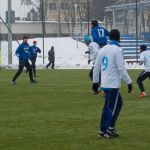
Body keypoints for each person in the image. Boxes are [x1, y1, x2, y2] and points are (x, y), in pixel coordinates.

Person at [92, 29, 133, 139]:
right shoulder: (118, 50)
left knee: (118, 103)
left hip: (105, 83)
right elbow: (121, 68)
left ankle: (110, 128)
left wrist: (95, 82)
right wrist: (129, 82)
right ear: (119, 38)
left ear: (110, 38)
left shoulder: (103, 49)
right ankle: (103, 131)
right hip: (112, 84)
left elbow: (96, 66)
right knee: (109, 108)